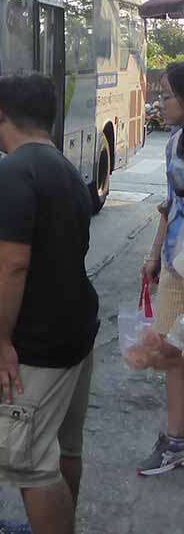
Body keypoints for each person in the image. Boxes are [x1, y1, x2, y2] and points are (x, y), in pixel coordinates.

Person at [0, 73, 97, 534]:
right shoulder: (65, 169)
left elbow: (11, 265)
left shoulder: (12, 172)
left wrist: (0, 344)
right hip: (74, 338)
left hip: (36, 351)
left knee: (30, 466)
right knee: (63, 451)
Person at [136, 64, 184, 476]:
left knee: (171, 353)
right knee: (171, 354)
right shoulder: (175, 143)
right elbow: (169, 205)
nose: (159, 103)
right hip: (176, 266)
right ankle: (175, 439)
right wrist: (153, 257)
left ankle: (175, 440)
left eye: (166, 95)